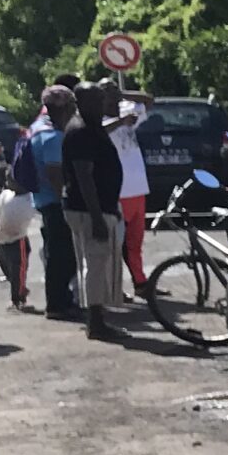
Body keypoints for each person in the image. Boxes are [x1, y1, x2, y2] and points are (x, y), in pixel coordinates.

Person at [62, 84, 128, 340]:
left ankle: (98, 318)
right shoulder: (81, 131)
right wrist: (98, 216)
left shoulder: (91, 127)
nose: (103, 105)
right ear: (82, 103)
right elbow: (84, 177)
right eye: (97, 101)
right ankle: (96, 322)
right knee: (95, 264)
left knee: (97, 263)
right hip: (88, 210)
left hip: (97, 208)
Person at [24, 86, 77, 319]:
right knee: (61, 256)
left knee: (56, 254)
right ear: (63, 108)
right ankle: (57, 305)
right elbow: (55, 174)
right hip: (55, 203)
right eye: (72, 105)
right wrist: (66, 201)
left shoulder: (38, 128)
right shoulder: (53, 137)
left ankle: (62, 301)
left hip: (44, 200)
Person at [111, 95, 153, 294]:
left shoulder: (126, 111)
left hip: (138, 190)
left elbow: (148, 100)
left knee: (135, 243)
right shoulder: (99, 120)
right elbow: (98, 130)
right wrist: (121, 121)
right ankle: (114, 289)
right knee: (116, 244)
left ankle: (140, 283)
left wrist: (122, 92)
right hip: (120, 192)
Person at [0, 158, 35, 310]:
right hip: (2, 239)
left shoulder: (29, 199)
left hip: (19, 240)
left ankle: (18, 299)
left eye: (9, 179)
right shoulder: (5, 195)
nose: (6, 182)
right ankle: (19, 289)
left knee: (18, 269)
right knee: (8, 270)